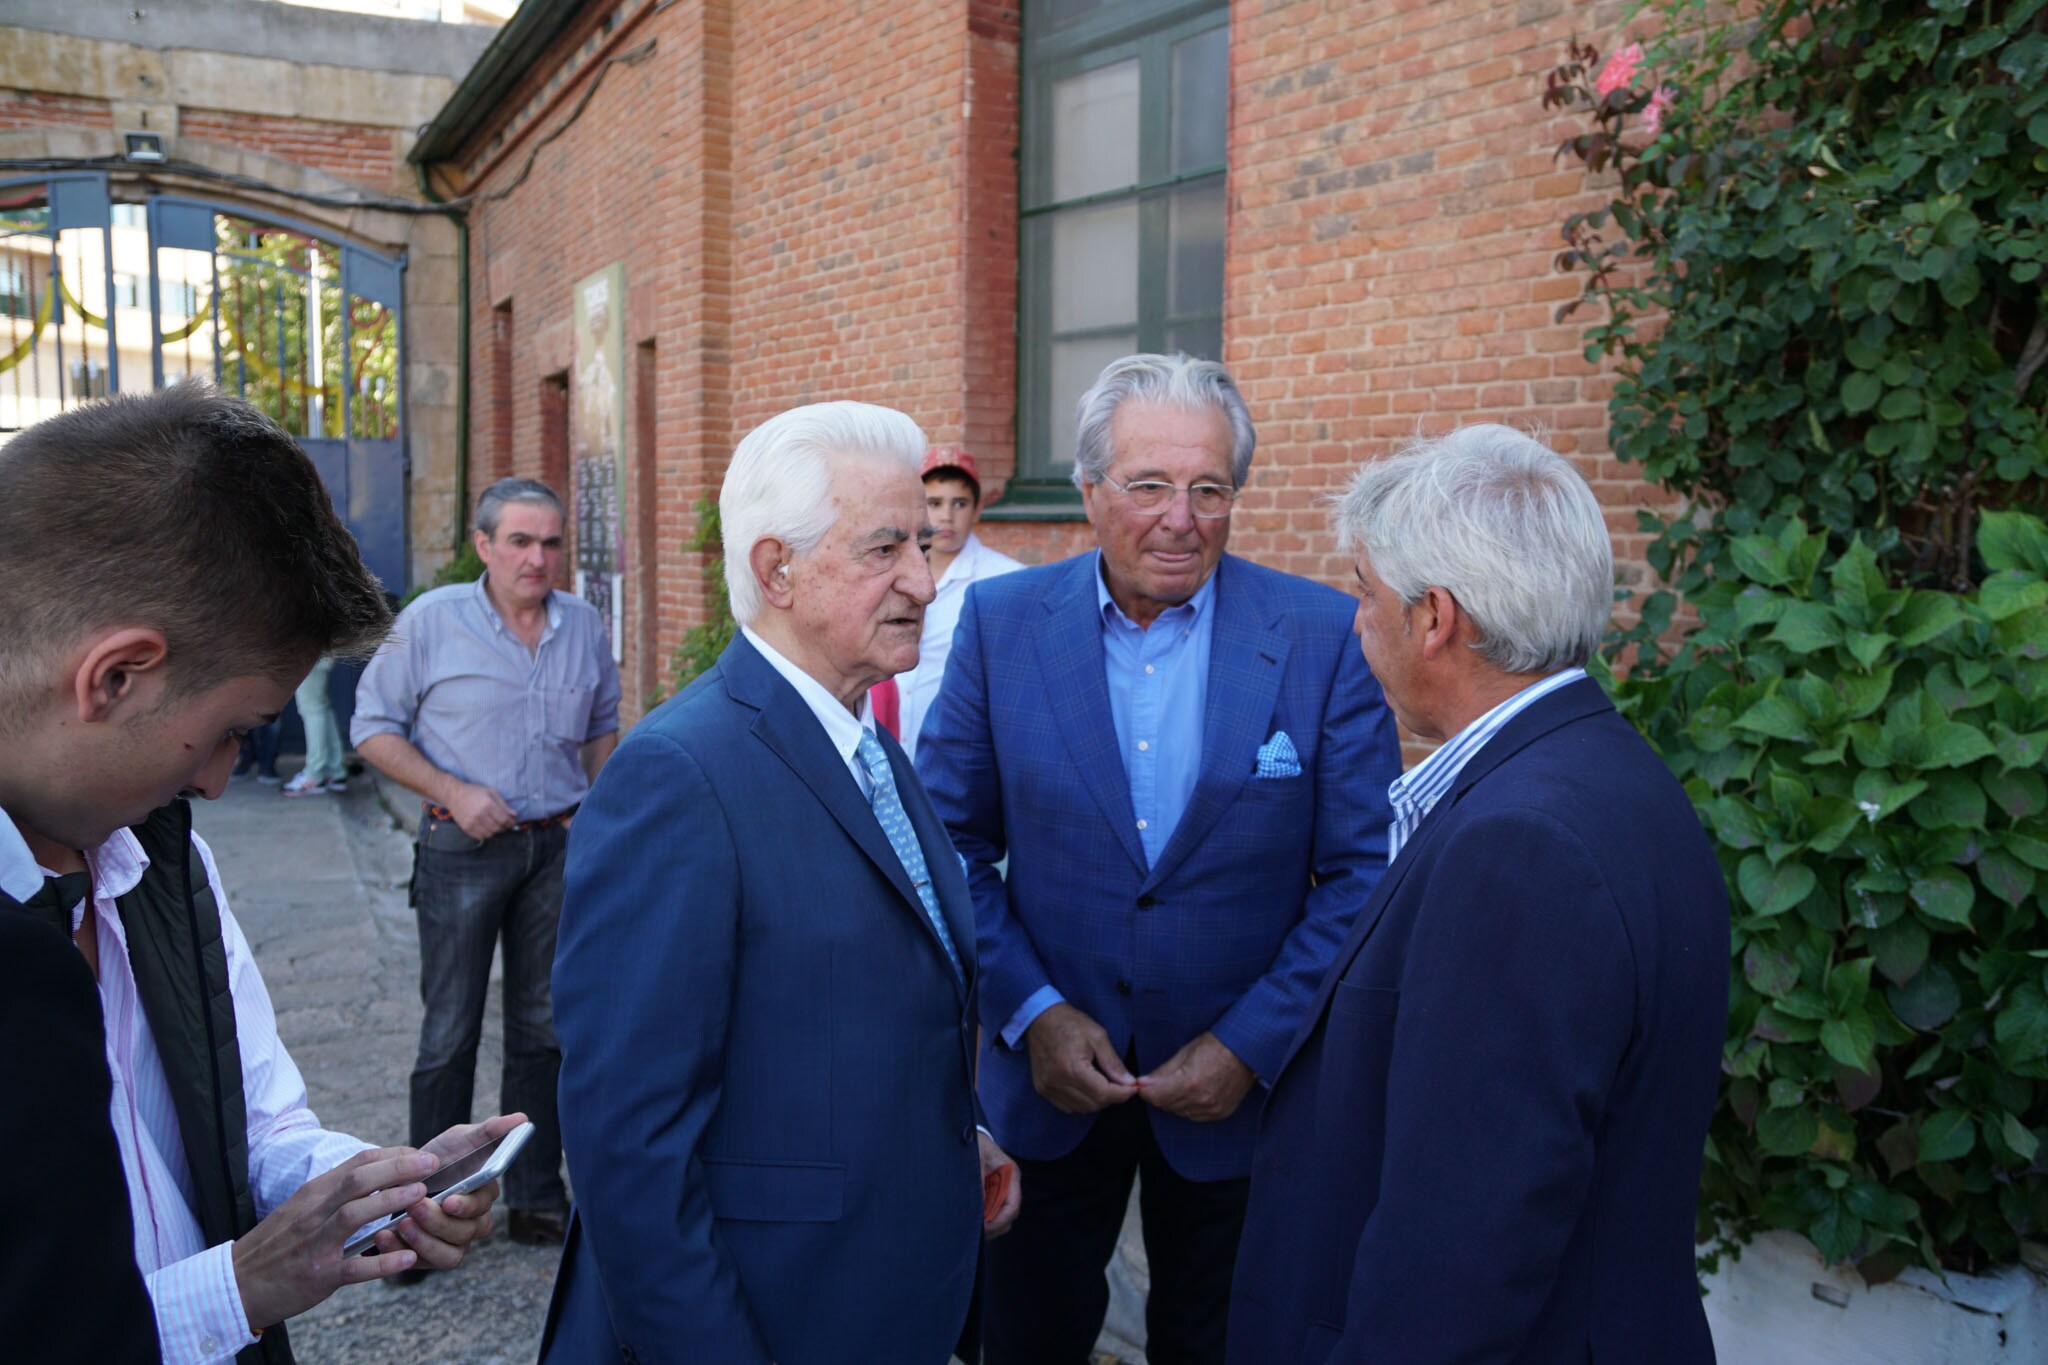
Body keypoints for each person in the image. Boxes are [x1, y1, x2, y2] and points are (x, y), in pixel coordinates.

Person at [0, 386, 518, 1365]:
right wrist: (236, 1289)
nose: (219, 777)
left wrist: (364, 1186)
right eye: (236, 731)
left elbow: (253, 1122)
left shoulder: (159, 852)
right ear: (116, 675)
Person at [918, 353, 1401, 1365]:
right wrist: (1030, 1011)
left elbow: (1364, 871)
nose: (1179, 518)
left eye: (1208, 488)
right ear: (1089, 491)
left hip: (1236, 1100)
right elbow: (943, 838)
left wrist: (1251, 1043)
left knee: (1220, 1344)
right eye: (1146, 485)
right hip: (1047, 1089)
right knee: (1024, 1336)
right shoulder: (1001, 627)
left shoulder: (1319, 636)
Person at [1227, 426, 1730, 1363]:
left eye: (1367, 592)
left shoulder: (1522, 844)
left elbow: (1461, 1246)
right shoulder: (1609, 775)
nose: (1355, 620)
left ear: (1435, 619)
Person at [540, 401, 1020, 1365]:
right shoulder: (679, 774)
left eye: (923, 545)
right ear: (775, 569)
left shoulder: (867, 741)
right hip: (766, 1317)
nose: (924, 581)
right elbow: (630, 1150)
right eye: (885, 548)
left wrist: (951, 1133)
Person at [351, 477, 621, 1251]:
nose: (537, 559)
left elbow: (602, 731)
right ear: (484, 545)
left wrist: (601, 823)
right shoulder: (432, 622)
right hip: (460, 847)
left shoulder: (582, 624)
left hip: (555, 849)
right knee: (450, 1031)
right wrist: (453, 789)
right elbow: (371, 727)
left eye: (550, 543)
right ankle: (428, 1206)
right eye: (519, 542)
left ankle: (535, 1191)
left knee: (545, 1027)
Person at [880, 446, 1022, 758]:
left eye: (959, 503)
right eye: (934, 503)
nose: (946, 515)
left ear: (977, 509)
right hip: (890, 746)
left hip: (959, 752)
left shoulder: (1005, 580)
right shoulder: (888, 571)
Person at [281, 656, 347, 796]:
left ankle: (314, 775)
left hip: (309, 650)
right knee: (319, 707)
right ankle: (335, 771)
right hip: (317, 649)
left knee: (312, 708)